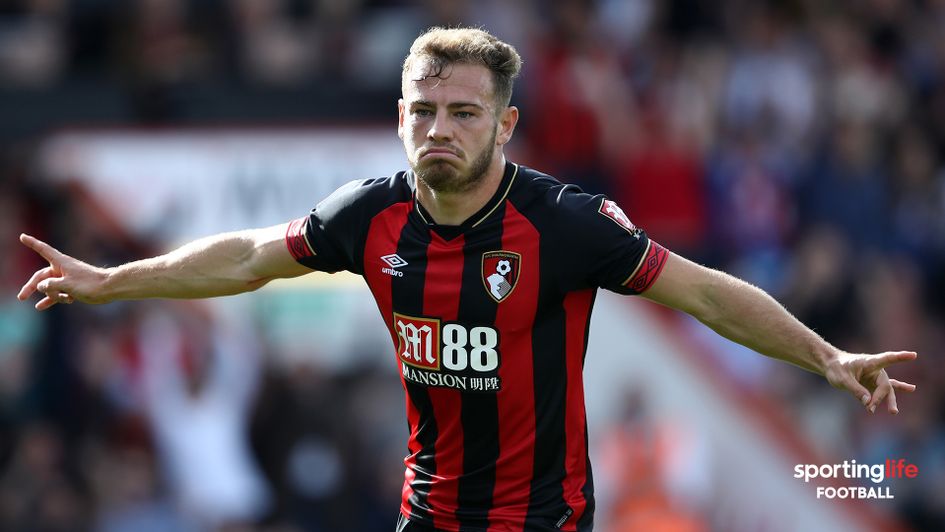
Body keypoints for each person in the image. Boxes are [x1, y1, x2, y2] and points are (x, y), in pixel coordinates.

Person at [17, 27, 916, 532]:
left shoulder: (564, 224)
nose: (437, 128)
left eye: (461, 112)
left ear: (506, 123)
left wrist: (824, 356)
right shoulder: (365, 217)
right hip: (428, 520)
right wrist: (112, 281)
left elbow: (709, 293)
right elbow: (248, 258)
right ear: (399, 114)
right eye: (422, 110)